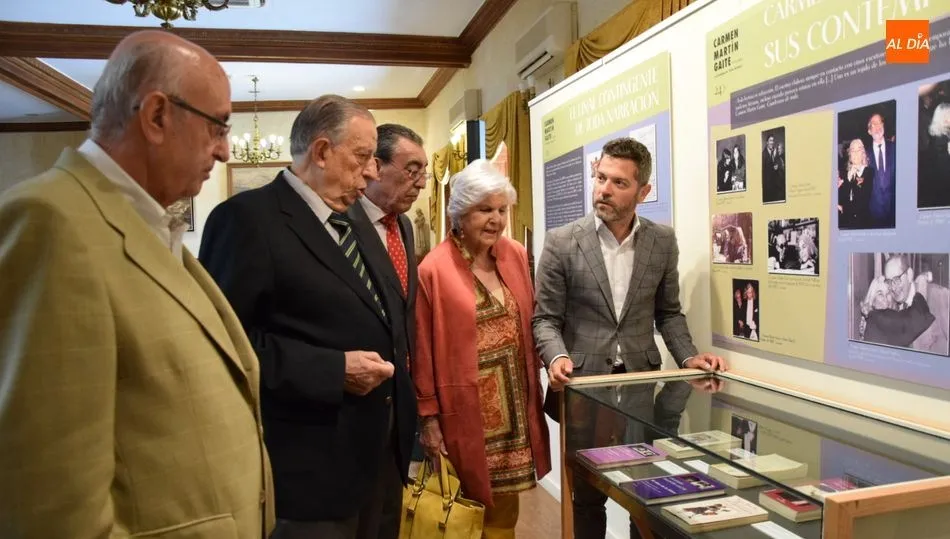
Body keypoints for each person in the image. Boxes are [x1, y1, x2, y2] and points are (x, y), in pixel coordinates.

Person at [0, 30, 274, 537]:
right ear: (156, 116)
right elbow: (49, 504)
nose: (224, 152)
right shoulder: (51, 221)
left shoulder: (147, 225)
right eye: (218, 127)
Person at [199, 95, 417, 539]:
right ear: (320, 152)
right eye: (361, 158)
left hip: (381, 459)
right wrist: (332, 369)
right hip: (310, 473)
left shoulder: (355, 217)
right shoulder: (246, 220)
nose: (372, 172)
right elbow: (223, 348)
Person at [532, 136, 726, 539]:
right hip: (585, 393)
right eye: (600, 177)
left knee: (646, 495)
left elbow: (668, 312)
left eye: (619, 183)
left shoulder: (661, 241)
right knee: (587, 499)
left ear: (644, 191)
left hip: (642, 391)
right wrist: (556, 358)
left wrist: (689, 358)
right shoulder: (562, 242)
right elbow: (545, 320)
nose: (603, 189)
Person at [414, 159, 551, 538]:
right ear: (460, 212)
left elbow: (534, 319)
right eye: (484, 210)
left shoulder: (515, 255)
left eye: (502, 210)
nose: (496, 219)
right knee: (462, 515)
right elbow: (423, 349)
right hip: (466, 414)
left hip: (515, 411)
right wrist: (428, 418)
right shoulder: (433, 269)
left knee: (504, 515)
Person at [344, 123, 426, 538]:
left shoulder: (405, 226)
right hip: (351, 410)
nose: (422, 184)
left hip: (398, 406)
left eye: (424, 173)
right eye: (412, 170)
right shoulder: (340, 221)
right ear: (375, 165)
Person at [866, 113, 896, 228]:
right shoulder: (865, 155)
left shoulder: (895, 148)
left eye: (880, 122)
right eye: (874, 124)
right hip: (874, 214)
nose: (878, 126)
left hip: (896, 211)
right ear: (869, 131)